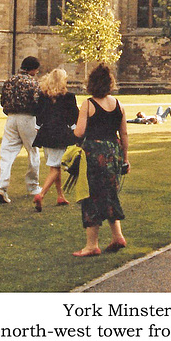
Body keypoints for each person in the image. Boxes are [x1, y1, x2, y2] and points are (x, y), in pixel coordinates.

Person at [72, 63, 130, 257]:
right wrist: (125, 160)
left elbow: (79, 132)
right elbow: (124, 134)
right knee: (110, 193)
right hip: (114, 152)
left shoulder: (88, 104)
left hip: (94, 154)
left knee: (92, 197)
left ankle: (91, 245)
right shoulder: (118, 105)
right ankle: (118, 236)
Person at [32, 68, 79, 211]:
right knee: (55, 167)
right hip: (60, 134)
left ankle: (60, 196)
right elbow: (74, 117)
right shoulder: (69, 96)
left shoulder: (43, 96)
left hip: (45, 133)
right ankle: (41, 194)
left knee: (54, 165)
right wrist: (75, 132)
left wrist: (38, 127)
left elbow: (39, 116)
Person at [0, 56, 41, 204]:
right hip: (27, 118)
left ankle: (2, 186)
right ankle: (33, 186)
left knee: (7, 153)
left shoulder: (9, 81)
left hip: (11, 118)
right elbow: (37, 102)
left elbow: (2, 100)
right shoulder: (32, 83)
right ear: (33, 69)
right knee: (33, 152)